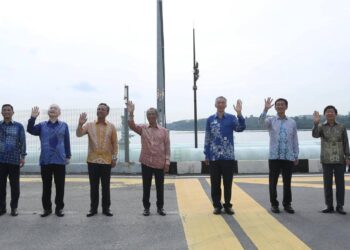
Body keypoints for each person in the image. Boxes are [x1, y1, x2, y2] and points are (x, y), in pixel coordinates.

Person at [27, 105, 71, 217]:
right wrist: (32, 118)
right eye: (50, 108)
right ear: (48, 112)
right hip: (45, 160)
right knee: (46, 186)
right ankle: (47, 209)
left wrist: (68, 155)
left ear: (59, 112)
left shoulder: (64, 125)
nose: (52, 109)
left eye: (55, 108)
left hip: (60, 160)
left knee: (60, 186)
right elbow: (30, 130)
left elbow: (66, 141)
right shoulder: (42, 125)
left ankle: (59, 208)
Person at [127, 101, 170, 216]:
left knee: (160, 187)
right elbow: (131, 125)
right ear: (147, 116)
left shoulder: (164, 131)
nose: (151, 116)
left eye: (153, 114)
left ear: (156, 116)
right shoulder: (143, 128)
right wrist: (131, 112)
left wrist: (167, 162)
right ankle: (146, 208)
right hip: (146, 162)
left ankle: (160, 207)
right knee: (146, 186)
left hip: (160, 162)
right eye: (149, 114)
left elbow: (167, 147)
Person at [204, 96, 246, 215]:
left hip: (228, 157)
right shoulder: (210, 119)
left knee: (228, 183)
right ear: (215, 104)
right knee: (215, 183)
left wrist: (239, 114)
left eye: (223, 102)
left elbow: (241, 128)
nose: (221, 104)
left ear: (226, 105)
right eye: (219, 102)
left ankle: (227, 205)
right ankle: (217, 205)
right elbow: (207, 137)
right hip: (214, 157)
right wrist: (206, 154)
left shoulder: (232, 118)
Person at [76, 103, 118, 217]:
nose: (100, 111)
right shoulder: (89, 125)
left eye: (103, 109)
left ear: (107, 113)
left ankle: (106, 209)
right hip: (92, 161)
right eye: (98, 109)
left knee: (106, 186)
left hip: (106, 161)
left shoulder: (112, 127)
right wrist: (80, 124)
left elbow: (115, 144)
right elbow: (79, 134)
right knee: (93, 186)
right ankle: (93, 209)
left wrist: (114, 158)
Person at [259, 97, 299, 214]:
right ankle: (274, 204)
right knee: (273, 182)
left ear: (286, 107)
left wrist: (296, 155)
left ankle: (287, 204)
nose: (280, 106)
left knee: (287, 182)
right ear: (275, 107)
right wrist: (265, 109)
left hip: (288, 157)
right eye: (278, 105)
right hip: (274, 156)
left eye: (282, 104)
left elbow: (294, 139)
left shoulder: (292, 122)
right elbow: (260, 123)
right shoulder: (271, 120)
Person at [312, 105, 350, 215]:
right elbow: (315, 135)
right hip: (326, 159)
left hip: (340, 159)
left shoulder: (342, 127)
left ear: (335, 114)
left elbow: (346, 142)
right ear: (325, 115)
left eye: (332, 112)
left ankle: (340, 206)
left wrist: (348, 157)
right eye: (327, 112)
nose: (329, 113)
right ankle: (329, 205)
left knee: (340, 184)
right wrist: (315, 123)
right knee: (327, 184)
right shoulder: (321, 126)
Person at [0, 104, 26, 216]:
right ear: (1, 113)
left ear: (13, 112)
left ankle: (14, 208)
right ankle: (2, 208)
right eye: (4, 110)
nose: (6, 112)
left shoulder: (19, 126)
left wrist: (23, 157)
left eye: (9, 110)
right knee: (1, 186)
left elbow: (22, 142)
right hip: (0, 161)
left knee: (15, 186)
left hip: (14, 160)